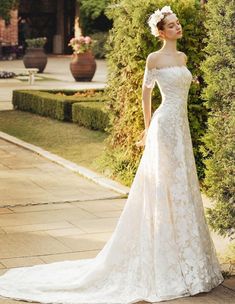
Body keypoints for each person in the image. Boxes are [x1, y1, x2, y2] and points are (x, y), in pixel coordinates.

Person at [0, 5, 224, 304]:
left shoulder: (182, 58)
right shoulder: (153, 58)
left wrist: (194, 80)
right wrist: (147, 130)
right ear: (161, 31)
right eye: (171, 24)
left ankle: (188, 256)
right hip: (164, 126)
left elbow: (184, 82)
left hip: (180, 128)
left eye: (177, 23)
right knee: (163, 188)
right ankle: (163, 256)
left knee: (182, 186)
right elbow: (145, 93)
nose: (177, 27)